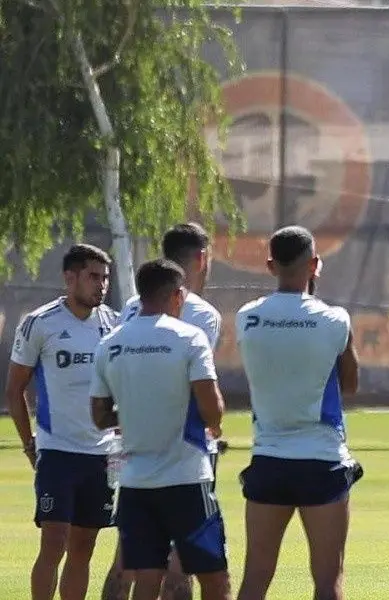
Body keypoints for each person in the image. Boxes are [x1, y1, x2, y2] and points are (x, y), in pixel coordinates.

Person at [88, 259, 230, 600]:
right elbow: (212, 412)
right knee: (214, 577)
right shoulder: (189, 337)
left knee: (145, 578)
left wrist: (137, 415)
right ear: (178, 295)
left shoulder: (111, 343)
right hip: (185, 479)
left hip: (136, 483)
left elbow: (98, 416)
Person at [234, 226, 362, 600]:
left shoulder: (247, 316)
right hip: (321, 458)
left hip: (269, 456)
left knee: (255, 576)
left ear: (271, 265)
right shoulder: (335, 320)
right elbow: (350, 385)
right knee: (328, 579)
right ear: (315, 265)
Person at [6, 243, 121, 600]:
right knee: (54, 540)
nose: (101, 285)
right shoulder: (40, 323)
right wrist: (30, 443)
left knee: (84, 546)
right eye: (93, 276)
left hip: (103, 454)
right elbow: (15, 390)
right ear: (69, 278)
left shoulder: (116, 325)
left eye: (105, 278)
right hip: (57, 451)